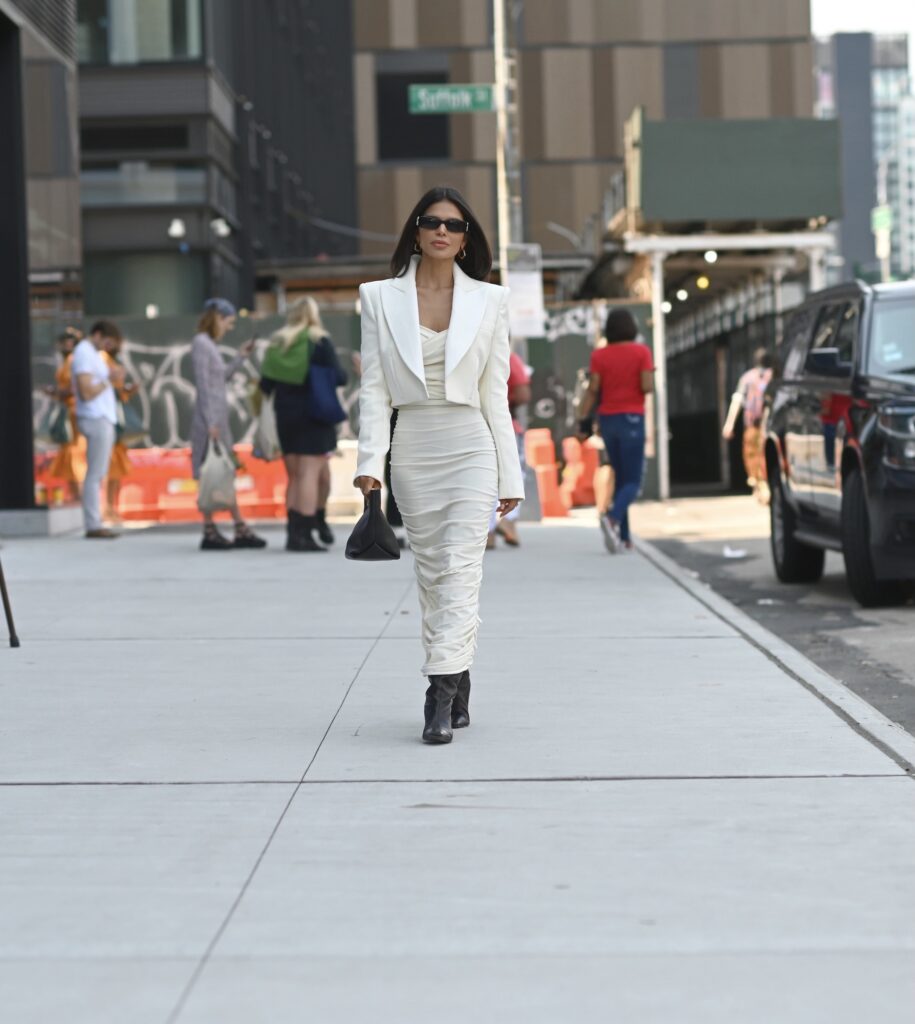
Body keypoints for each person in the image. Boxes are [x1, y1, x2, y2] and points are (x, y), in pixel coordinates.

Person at [354, 185, 524, 745]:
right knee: (433, 573)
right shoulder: (378, 298)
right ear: (417, 231)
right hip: (414, 450)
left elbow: (495, 394)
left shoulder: (491, 301)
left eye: (454, 225)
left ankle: (439, 693)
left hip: (472, 445)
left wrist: (509, 474)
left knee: (460, 568)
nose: (442, 231)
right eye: (432, 222)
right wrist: (369, 464)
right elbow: (374, 390)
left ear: (466, 236)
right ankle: (459, 671)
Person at [259, 296, 348, 552]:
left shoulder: (278, 342)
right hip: (314, 415)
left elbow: (266, 384)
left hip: (285, 416)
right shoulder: (318, 340)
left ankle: (293, 533)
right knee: (310, 475)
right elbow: (338, 377)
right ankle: (306, 534)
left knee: (295, 477)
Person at [190, 298, 266, 550]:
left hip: (214, 419)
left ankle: (223, 527)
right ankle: (229, 527)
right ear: (217, 318)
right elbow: (204, 384)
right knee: (216, 472)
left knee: (219, 472)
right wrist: (212, 421)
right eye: (228, 322)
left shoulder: (207, 344)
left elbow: (218, 378)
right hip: (210, 421)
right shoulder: (202, 343)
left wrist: (240, 357)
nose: (229, 328)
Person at [577, 308, 655, 553]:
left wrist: (582, 420)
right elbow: (647, 386)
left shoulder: (599, 356)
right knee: (633, 481)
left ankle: (624, 537)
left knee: (621, 478)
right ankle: (611, 518)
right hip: (632, 418)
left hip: (608, 420)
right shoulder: (642, 352)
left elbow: (593, 390)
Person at [72, 321, 125, 539]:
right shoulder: (84, 352)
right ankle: (93, 524)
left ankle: (95, 522)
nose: (108, 347)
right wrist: (108, 380)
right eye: (108, 342)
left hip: (100, 417)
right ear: (98, 334)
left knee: (97, 473)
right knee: (95, 474)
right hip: (95, 417)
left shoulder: (92, 354)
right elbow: (86, 391)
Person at [487, 349, 531, 548]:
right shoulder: (507, 357)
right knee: (513, 474)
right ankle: (508, 522)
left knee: (482, 480)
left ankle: (486, 533)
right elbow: (522, 393)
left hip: (472, 427)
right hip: (506, 426)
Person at [722, 347, 774, 504]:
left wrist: (729, 423)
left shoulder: (747, 378)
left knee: (752, 455)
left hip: (754, 424)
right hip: (770, 425)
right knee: (764, 455)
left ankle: (759, 484)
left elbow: (737, 401)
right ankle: (763, 485)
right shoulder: (773, 376)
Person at [102, 332, 138, 523]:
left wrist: (126, 391)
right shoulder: (102, 360)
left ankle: (112, 507)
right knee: (109, 466)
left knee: (117, 467)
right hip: (107, 418)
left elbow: (117, 393)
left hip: (116, 416)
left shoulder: (113, 361)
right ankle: (106, 508)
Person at [45, 327, 82, 503]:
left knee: (75, 454)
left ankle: (81, 497)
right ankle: (76, 496)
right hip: (67, 412)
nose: (67, 344)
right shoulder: (67, 362)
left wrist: (59, 392)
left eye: (70, 341)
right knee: (68, 455)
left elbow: (77, 387)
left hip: (75, 414)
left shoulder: (76, 361)